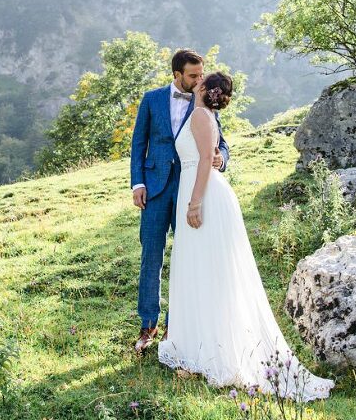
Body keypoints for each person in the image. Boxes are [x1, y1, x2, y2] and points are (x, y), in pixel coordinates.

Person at [156, 71, 333, 401]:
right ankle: (200, 344)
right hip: (200, 190)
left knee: (211, 272)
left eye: (202, 79)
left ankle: (217, 350)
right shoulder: (204, 115)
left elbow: (208, 160)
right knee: (201, 271)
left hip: (204, 195)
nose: (197, 80)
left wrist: (194, 203)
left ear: (207, 90)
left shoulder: (199, 115)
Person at [130, 49, 229, 354]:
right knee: (151, 256)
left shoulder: (205, 103)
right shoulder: (151, 99)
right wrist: (138, 182)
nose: (201, 80)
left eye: (201, 74)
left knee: (186, 257)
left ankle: (176, 326)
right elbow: (138, 143)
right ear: (177, 75)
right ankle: (148, 325)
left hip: (189, 190)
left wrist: (220, 160)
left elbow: (221, 144)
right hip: (156, 188)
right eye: (193, 75)